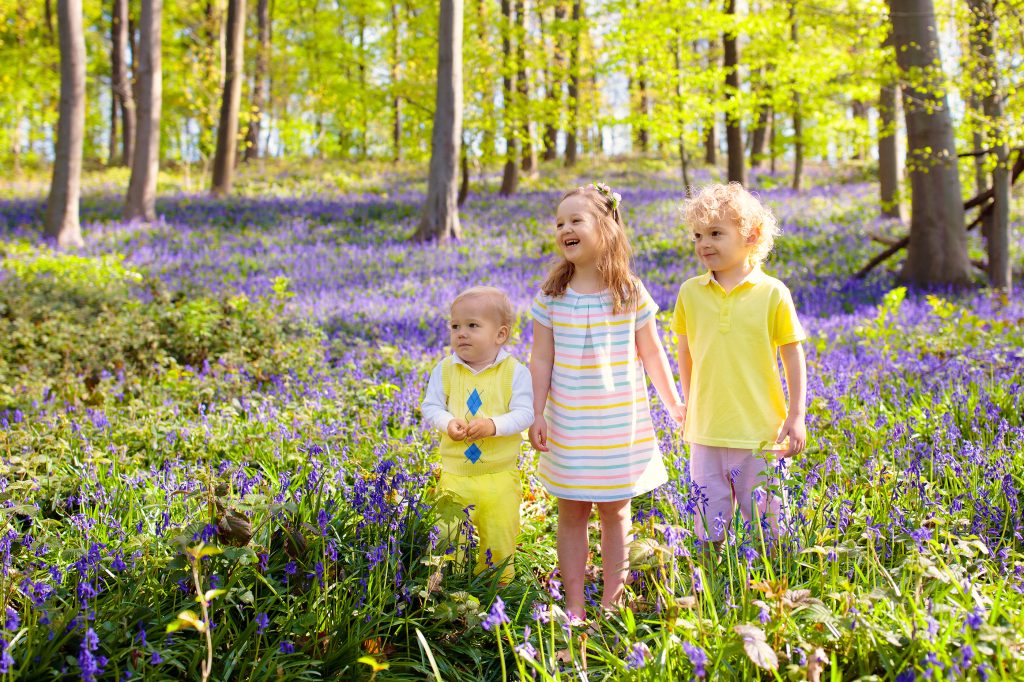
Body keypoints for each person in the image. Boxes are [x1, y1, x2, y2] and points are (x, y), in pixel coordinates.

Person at [529, 183, 684, 622]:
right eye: (560, 223)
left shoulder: (630, 291)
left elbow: (653, 353)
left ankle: (612, 605)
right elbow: (540, 358)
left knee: (617, 512)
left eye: (576, 220)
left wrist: (673, 403)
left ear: (607, 227)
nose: (565, 229)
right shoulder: (552, 296)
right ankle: (575, 605)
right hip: (570, 422)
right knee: (572, 510)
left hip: (619, 420)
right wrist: (536, 411)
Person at [671, 182, 807, 544]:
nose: (704, 244)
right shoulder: (690, 292)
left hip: (761, 434)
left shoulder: (772, 292)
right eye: (698, 235)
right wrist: (689, 402)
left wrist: (796, 416)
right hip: (707, 432)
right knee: (707, 525)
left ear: (752, 235)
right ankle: (712, 590)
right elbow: (686, 352)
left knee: (771, 529)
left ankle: (777, 589)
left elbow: (793, 354)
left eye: (716, 233)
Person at [421, 286, 534, 583]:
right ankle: (450, 584)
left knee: (498, 533)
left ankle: (498, 588)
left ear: (500, 335)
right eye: (455, 326)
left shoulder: (515, 373)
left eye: (472, 326)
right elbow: (431, 406)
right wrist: (447, 422)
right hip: (455, 474)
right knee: (449, 533)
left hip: (498, 477)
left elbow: (525, 413)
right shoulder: (445, 370)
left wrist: (493, 426)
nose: (462, 333)